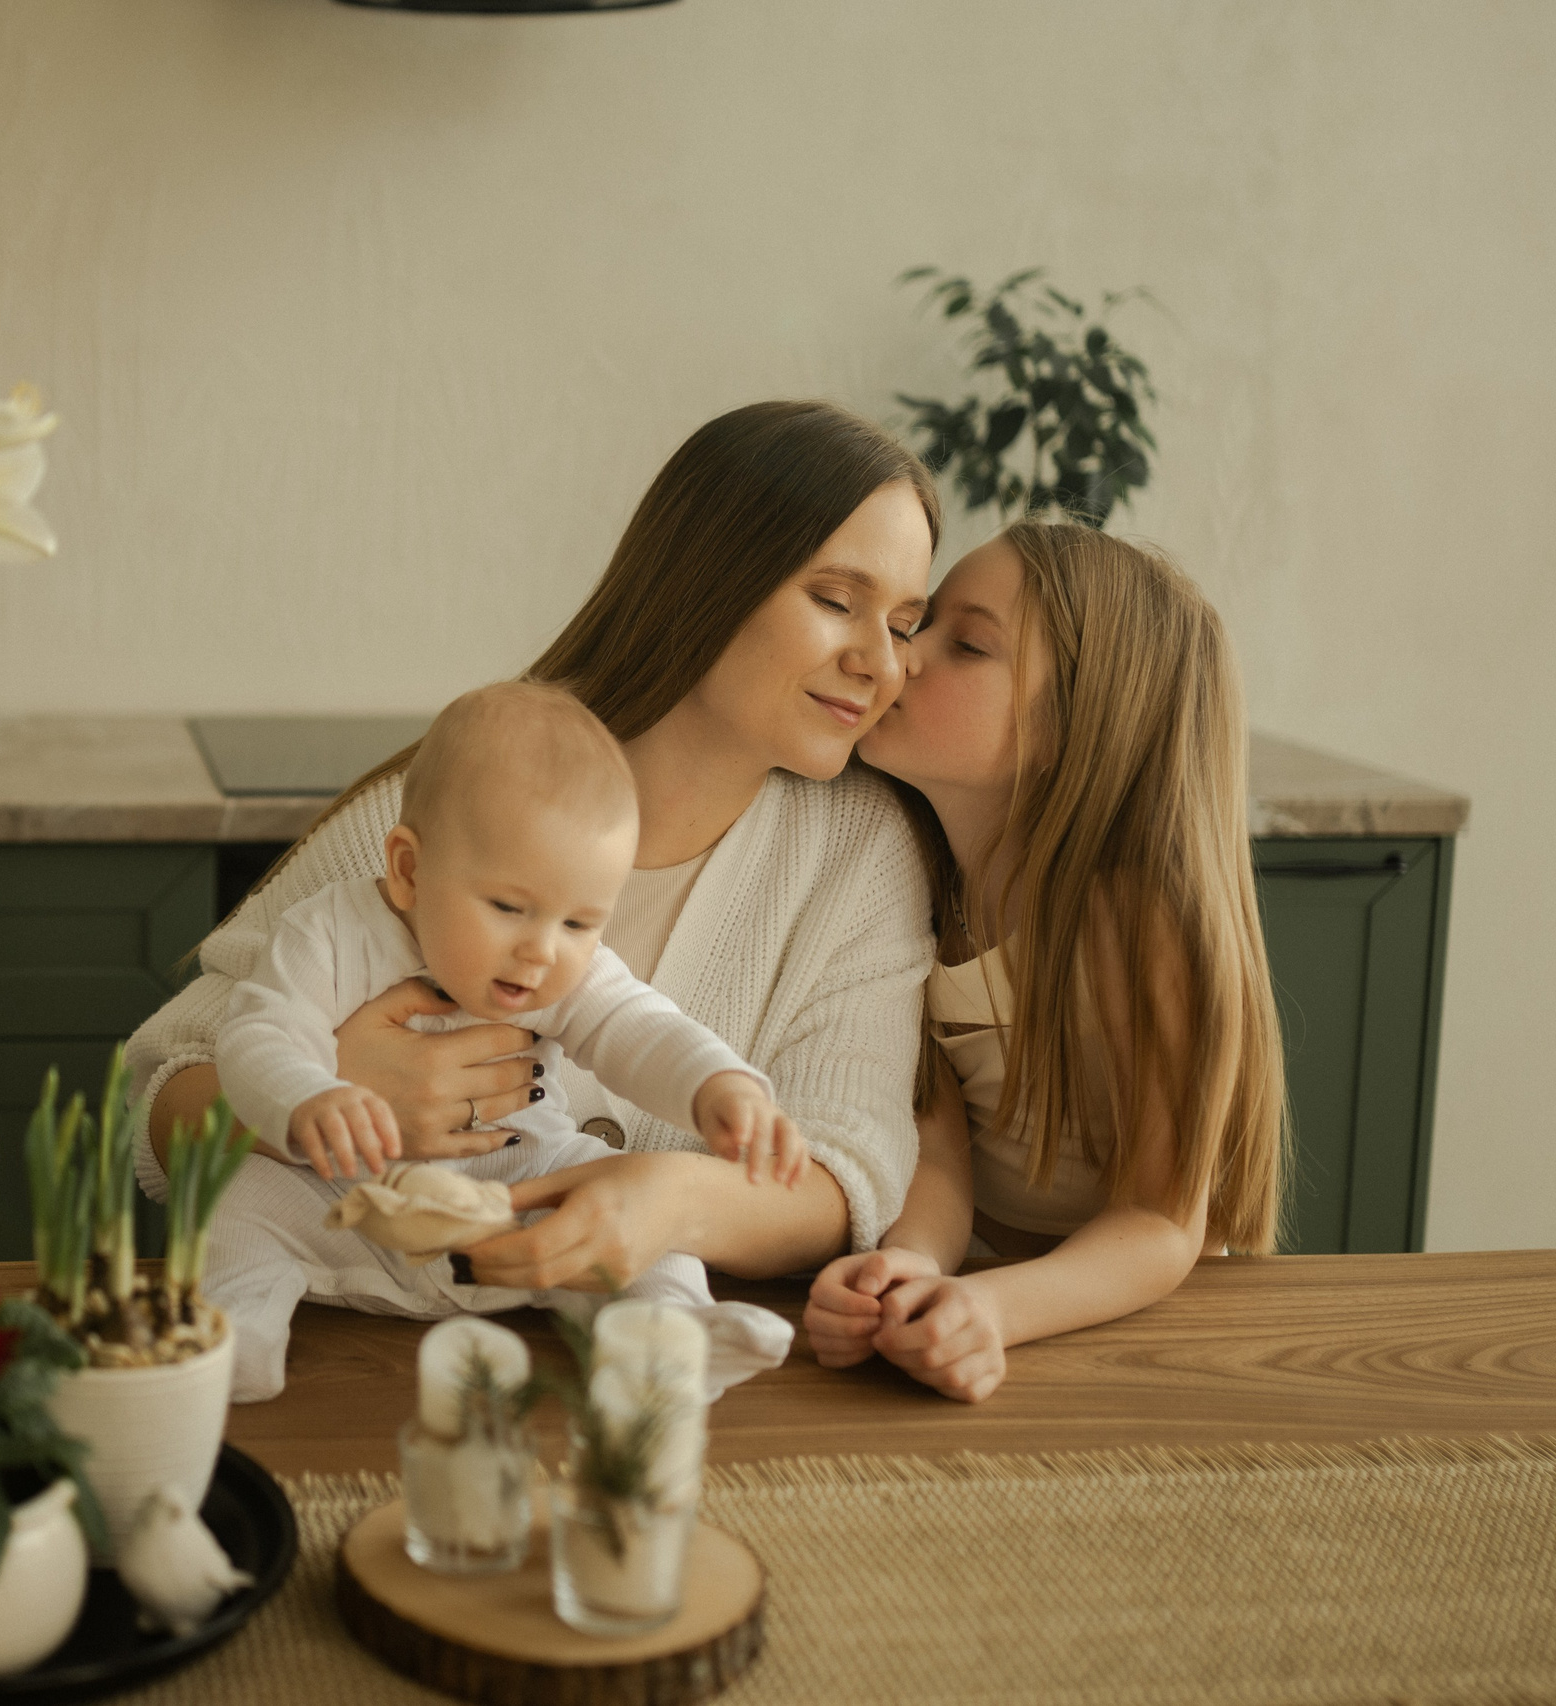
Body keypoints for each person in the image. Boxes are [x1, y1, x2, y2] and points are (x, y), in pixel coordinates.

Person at [126, 400, 942, 1380]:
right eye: (835, 600)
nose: (879, 662)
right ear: (707, 579)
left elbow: (845, 1171)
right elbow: (161, 1080)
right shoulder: (457, 793)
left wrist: (666, 1201)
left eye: (903, 624)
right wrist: (330, 1086)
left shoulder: (860, 850)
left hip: (602, 1397)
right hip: (349, 1358)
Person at [210, 681, 806, 1400]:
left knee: (632, 1203)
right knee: (242, 1195)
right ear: (408, 870)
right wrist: (307, 1097)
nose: (543, 952)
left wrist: (718, 1084)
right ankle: (238, 1335)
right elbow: (255, 1036)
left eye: (579, 924)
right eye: (508, 907)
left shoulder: (565, 972)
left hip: (516, 1198)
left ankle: (667, 1342)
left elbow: (641, 1026)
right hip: (342, 1202)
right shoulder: (328, 933)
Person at [803, 521, 1288, 1403]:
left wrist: (990, 1310)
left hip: (1142, 1329)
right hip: (991, 1295)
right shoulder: (906, 882)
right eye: (925, 623)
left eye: (969, 645)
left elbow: (1158, 1223)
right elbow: (939, 1155)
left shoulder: (1138, 919)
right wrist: (904, 1272)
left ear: (1073, 726)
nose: (901, 658)